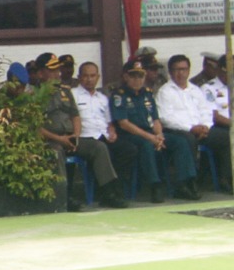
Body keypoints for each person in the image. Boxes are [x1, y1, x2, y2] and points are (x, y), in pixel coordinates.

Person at [33, 53, 126, 210]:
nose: (57, 74)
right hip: (50, 140)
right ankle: (64, 197)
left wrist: (75, 135)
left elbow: (75, 116)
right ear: (41, 73)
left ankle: (108, 193)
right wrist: (59, 139)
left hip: (70, 137)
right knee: (56, 152)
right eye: (52, 71)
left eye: (58, 70)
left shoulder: (65, 91)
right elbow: (35, 128)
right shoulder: (34, 95)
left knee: (98, 147)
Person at [110, 58, 194, 202]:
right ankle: (155, 185)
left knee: (180, 141)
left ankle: (184, 183)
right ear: (125, 76)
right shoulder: (119, 95)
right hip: (130, 135)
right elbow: (124, 123)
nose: (138, 80)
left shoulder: (147, 93)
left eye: (141, 76)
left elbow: (155, 119)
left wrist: (159, 135)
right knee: (147, 145)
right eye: (133, 76)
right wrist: (151, 138)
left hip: (150, 133)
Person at [71, 61, 139, 190]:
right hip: (84, 137)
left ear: (98, 77)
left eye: (93, 76)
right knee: (102, 148)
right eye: (86, 76)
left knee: (129, 149)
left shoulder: (102, 98)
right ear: (79, 77)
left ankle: (115, 185)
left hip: (103, 135)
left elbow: (109, 122)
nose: (89, 79)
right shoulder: (73, 95)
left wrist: (112, 132)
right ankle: (108, 191)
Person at [156, 54, 214, 199]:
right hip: (176, 131)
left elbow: (205, 110)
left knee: (225, 137)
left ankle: (226, 178)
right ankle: (188, 182)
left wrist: (205, 126)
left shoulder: (195, 90)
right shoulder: (165, 92)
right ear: (170, 72)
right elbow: (165, 117)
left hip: (200, 129)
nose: (180, 73)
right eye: (176, 70)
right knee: (187, 140)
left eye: (184, 69)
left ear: (189, 70)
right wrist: (191, 128)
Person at [199, 55, 232, 192]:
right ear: (220, 70)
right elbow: (214, 116)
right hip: (216, 128)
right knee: (228, 138)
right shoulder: (209, 88)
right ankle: (226, 179)